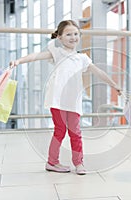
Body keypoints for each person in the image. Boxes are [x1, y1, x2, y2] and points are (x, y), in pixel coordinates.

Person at [9, 20, 121, 175]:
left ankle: (79, 163)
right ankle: (52, 162)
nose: (73, 37)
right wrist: (18, 61)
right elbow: (36, 56)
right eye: (68, 34)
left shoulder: (82, 58)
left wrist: (114, 84)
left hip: (73, 100)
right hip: (57, 99)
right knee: (60, 130)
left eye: (76, 34)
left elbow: (99, 72)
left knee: (75, 131)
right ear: (60, 37)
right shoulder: (57, 53)